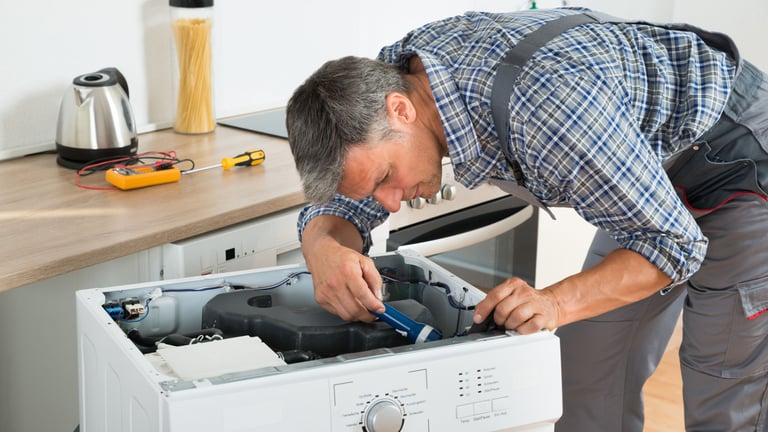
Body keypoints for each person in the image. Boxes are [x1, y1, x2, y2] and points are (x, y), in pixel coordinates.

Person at [285, 7, 768, 432]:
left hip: (737, 158)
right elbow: (346, 205)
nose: (388, 204)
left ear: (401, 110)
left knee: (724, 396)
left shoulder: (546, 109)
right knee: (584, 377)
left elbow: (672, 243)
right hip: (639, 172)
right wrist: (324, 247)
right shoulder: (396, 78)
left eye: (388, 177)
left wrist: (554, 303)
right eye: (373, 190)